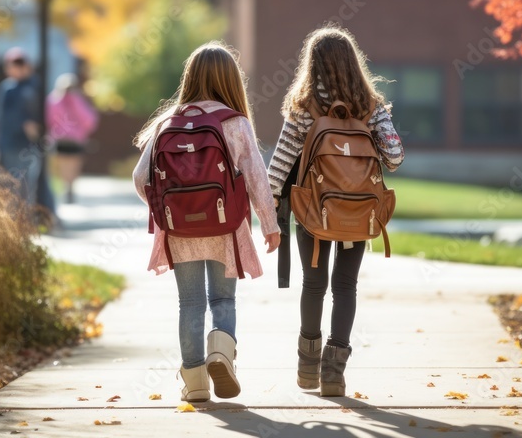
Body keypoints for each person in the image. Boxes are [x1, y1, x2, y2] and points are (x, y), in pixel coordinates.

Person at [132, 42, 281, 402]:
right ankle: (221, 353)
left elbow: (140, 177)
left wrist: (164, 212)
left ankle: (195, 382)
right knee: (223, 301)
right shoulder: (235, 122)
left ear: (190, 78)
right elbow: (259, 179)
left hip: (180, 230)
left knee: (191, 303)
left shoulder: (168, 123)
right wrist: (270, 225)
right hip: (225, 226)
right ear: (232, 81)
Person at [266, 26, 403, 397]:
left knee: (314, 284)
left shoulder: (302, 107)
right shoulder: (370, 107)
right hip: (358, 212)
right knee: (346, 286)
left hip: (313, 208)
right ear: (353, 63)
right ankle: (334, 373)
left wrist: (269, 204)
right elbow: (394, 157)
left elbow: (279, 164)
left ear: (312, 65)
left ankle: (307, 368)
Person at [0, 47, 43, 207]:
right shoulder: (7, 88)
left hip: (29, 144)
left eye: (21, 63)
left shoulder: (33, 85)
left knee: (29, 185)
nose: (18, 67)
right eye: (15, 64)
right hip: (9, 144)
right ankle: (14, 222)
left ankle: (27, 220)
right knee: (11, 184)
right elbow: (1, 118)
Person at [46, 73, 98, 203]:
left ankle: (68, 188)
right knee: (68, 165)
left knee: (70, 166)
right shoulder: (57, 100)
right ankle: (68, 188)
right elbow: (89, 120)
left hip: (70, 139)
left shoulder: (60, 100)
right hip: (67, 139)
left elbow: (89, 120)